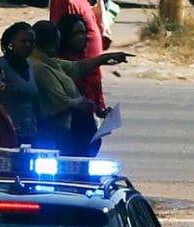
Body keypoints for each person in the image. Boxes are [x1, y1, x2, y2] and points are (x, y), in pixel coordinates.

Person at [29, 20, 128, 152]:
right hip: (57, 133)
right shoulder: (40, 68)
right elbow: (61, 102)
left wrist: (104, 58)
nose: (82, 37)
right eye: (77, 33)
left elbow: (76, 68)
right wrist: (83, 103)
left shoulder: (51, 62)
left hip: (73, 130)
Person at [56, 14, 106, 156]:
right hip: (67, 124)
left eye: (83, 33)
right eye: (76, 33)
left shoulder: (91, 64)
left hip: (89, 124)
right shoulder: (59, 63)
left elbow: (97, 96)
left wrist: (101, 110)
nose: (81, 37)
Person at [0, 22, 40, 146]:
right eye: (23, 41)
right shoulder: (0, 67)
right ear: (11, 43)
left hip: (29, 136)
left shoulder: (29, 66)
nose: (28, 45)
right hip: (7, 136)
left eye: (31, 41)